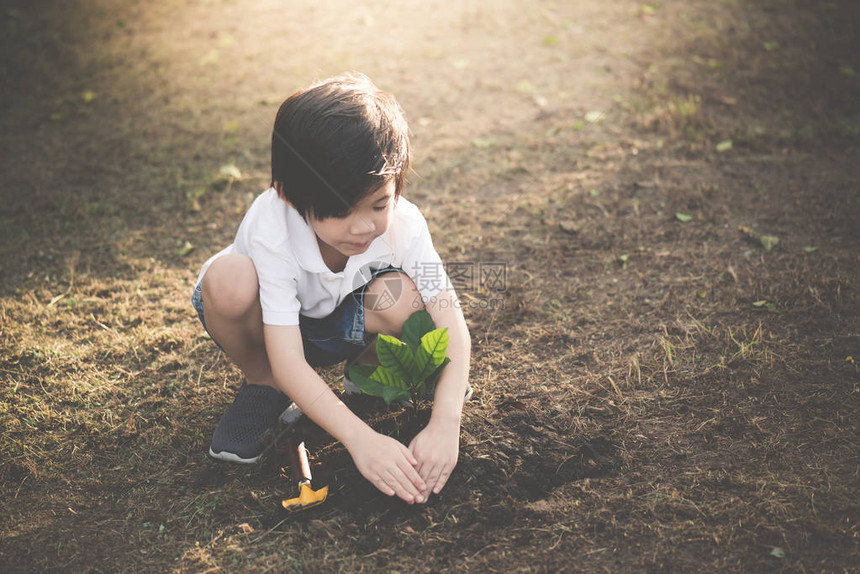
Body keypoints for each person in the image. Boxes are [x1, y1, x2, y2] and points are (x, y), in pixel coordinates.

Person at [191, 73, 472, 504]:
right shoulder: (272, 227)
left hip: (339, 319)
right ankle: (263, 386)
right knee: (228, 281)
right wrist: (361, 440)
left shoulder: (405, 224)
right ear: (287, 195)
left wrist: (445, 422)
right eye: (340, 211)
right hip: (268, 328)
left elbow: (448, 313)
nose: (363, 227)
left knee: (406, 296)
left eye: (379, 204)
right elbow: (288, 357)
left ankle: (367, 368)